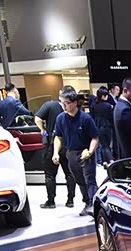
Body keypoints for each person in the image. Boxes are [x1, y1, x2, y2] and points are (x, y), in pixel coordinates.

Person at [53, 86, 99, 217]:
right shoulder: (60, 118)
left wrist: (90, 151)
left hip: (85, 152)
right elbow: (58, 137)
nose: (64, 106)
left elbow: (95, 137)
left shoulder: (85, 118)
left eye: (67, 103)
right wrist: (56, 152)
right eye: (62, 102)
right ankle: (87, 202)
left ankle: (93, 204)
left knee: (89, 179)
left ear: (74, 102)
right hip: (71, 153)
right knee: (79, 180)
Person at [35, 96, 76, 209]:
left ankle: (51, 201)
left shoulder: (49, 105)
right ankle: (70, 200)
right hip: (68, 145)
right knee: (69, 173)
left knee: (50, 175)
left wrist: (42, 130)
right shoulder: (75, 108)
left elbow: (37, 118)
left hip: (52, 144)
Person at [91, 87, 115, 167]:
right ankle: (110, 160)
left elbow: (92, 116)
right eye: (106, 95)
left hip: (97, 127)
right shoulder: (108, 106)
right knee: (106, 145)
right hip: (107, 127)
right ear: (102, 96)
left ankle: (104, 161)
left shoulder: (93, 105)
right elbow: (111, 117)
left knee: (102, 145)